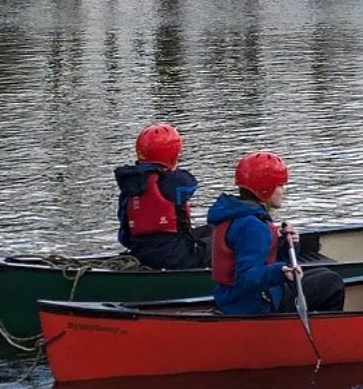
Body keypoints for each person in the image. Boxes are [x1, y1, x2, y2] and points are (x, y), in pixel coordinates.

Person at [208, 151, 345, 315]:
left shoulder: (238, 215)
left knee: (324, 273)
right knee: (332, 283)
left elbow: (260, 260)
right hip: (254, 305)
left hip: (238, 299)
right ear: (265, 188)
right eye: (280, 185)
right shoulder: (253, 225)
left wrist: (286, 246)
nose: (283, 191)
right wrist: (280, 271)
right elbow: (246, 279)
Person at [114, 123, 208, 270]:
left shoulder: (128, 187)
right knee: (222, 237)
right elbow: (192, 184)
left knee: (211, 229)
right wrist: (170, 170)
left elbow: (124, 234)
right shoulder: (176, 182)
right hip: (175, 258)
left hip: (139, 255)